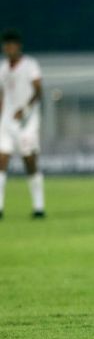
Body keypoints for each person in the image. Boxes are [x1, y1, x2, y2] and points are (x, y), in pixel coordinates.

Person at [0, 29, 45, 220]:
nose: (9, 48)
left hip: (27, 123)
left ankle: (38, 207)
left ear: (18, 46)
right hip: (6, 122)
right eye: (6, 45)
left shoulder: (30, 65)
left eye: (12, 45)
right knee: (1, 162)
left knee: (30, 163)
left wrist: (24, 109)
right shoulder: (2, 68)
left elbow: (38, 91)